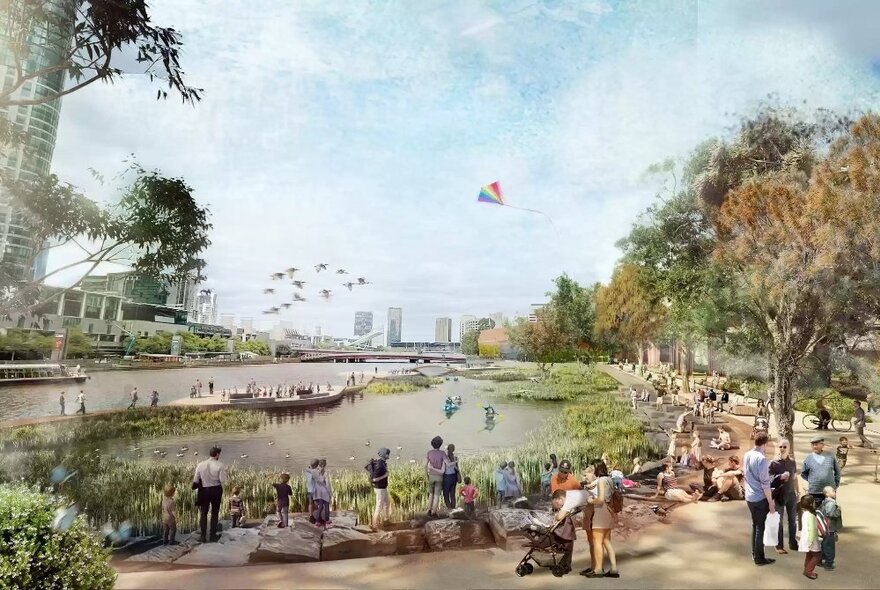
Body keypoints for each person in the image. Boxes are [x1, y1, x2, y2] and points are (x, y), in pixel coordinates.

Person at [743, 432, 777, 566]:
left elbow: (745, 473)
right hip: (759, 498)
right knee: (760, 527)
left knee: (755, 525)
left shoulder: (747, 454)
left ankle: (755, 553)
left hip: (749, 496)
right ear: (766, 443)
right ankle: (759, 557)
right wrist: (770, 502)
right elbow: (765, 483)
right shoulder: (762, 459)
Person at [584, 461, 619, 578]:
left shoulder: (601, 481)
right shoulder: (609, 479)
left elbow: (600, 499)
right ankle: (614, 568)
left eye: (592, 467)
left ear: (597, 468)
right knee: (607, 541)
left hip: (600, 512)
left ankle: (598, 569)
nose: (591, 469)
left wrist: (591, 501)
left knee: (597, 541)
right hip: (609, 511)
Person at [769, 438, 799, 554]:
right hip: (779, 494)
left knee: (792, 520)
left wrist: (798, 492)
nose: (782, 449)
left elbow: (795, 478)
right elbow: (769, 479)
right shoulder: (774, 463)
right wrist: (780, 477)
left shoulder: (792, 462)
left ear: (789, 448)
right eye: (780, 446)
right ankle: (778, 545)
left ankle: (793, 542)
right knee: (779, 520)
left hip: (791, 493)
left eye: (784, 447)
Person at [193, 446, 226, 543]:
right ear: (217, 454)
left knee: (203, 513)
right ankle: (212, 535)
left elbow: (195, 480)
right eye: (219, 454)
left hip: (203, 490)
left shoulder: (200, 465)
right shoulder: (220, 465)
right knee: (215, 513)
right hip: (216, 489)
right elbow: (222, 480)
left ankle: (203, 536)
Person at [801, 436, 840, 506]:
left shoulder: (830, 456)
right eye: (812, 445)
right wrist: (813, 481)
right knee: (816, 514)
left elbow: (837, 471)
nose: (814, 447)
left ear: (822, 445)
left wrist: (836, 484)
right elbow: (803, 473)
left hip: (830, 491)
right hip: (815, 492)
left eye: (816, 444)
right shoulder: (808, 458)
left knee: (830, 513)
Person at [548, 489, 579, 575]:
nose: (555, 504)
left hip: (565, 532)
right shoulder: (565, 507)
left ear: (559, 499)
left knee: (566, 550)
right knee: (564, 549)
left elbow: (559, 518)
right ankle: (563, 564)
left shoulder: (565, 508)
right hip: (566, 532)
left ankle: (565, 565)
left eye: (555, 502)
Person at [798, 494, 822, 580]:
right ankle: (808, 571)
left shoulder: (804, 513)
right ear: (811, 504)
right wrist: (811, 541)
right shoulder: (811, 516)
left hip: (805, 537)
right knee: (817, 555)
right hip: (811, 539)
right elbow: (812, 529)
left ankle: (807, 568)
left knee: (809, 554)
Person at [819, 485, 842, 571]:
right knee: (829, 546)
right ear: (827, 494)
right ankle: (829, 563)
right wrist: (838, 511)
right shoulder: (831, 503)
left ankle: (822, 559)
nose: (834, 492)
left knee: (825, 544)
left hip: (825, 527)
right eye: (833, 491)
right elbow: (830, 513)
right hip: (829, 527)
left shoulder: (824, 502)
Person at [366, 448, 390, 530]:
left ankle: (386, 520)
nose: (388, 455)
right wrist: (385, 475)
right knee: (379, 506)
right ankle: (374, 525)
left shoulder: (382, 463)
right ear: (384, 454)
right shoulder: (380, 465)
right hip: (380, 488)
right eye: (387, 453)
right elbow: (374, 479)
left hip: (383, 487)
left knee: (387, 503)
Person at [425, 436, 446, 517]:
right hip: (439, 477)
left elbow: (425, 465)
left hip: (431, 476)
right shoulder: (442, 453)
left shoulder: (429, 453)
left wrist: (426, 475)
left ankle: (428, 510)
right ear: (440, 444)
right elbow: (446, 463)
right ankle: (434, 512)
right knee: (436, 495)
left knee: (431, 494)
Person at [312, 460, 332, 528]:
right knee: (326, 507)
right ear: (325, 465)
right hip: (325, 492)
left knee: (319, 507)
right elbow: (328, 484)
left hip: (318, 493)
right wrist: (330, 493)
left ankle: (317, 522)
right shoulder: (325, 473)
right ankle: (327, 521)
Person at [442, 444, 460, 509]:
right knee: (452, 495)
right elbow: (457, 469)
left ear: (447, 449)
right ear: (453, 449)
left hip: (447, 478)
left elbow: (443, 470)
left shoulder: (445, 458)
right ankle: (453, 509)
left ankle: (450, 509)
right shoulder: (455, 458)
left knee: (446, 495)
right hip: (454, 477)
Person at [305, 459, 319, 524]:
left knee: (311, 503)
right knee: (316, 503)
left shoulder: (307, 470)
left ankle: (311, 516)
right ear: (316, 465)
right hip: (315, 490)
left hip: (309, 489)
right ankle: (316, 516)